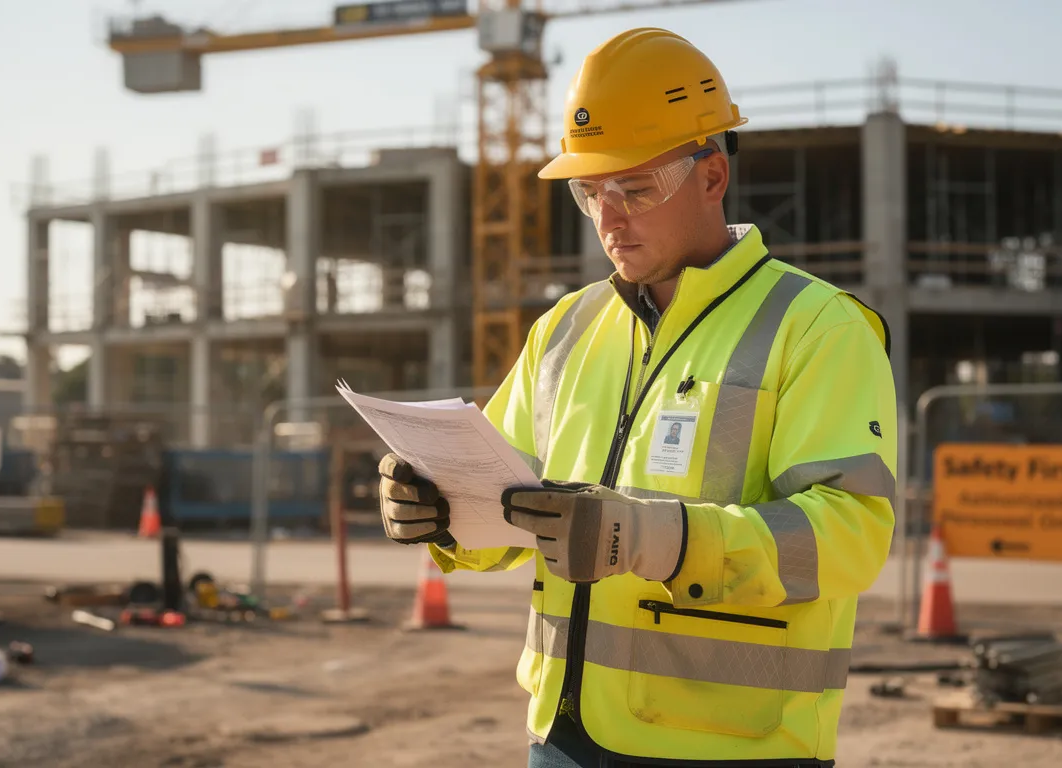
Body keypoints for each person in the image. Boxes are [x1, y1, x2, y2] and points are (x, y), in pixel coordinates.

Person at [377, 27, 897, 768]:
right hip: (564, 738)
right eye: (591, 192)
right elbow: (508, 506)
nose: (609, 219)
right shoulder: (565, 328)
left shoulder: (817, 327)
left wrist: (661, 539)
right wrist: (439, 513)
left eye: (634, 188)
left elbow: (851, 538)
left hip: (734, 750)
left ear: (712, 177)